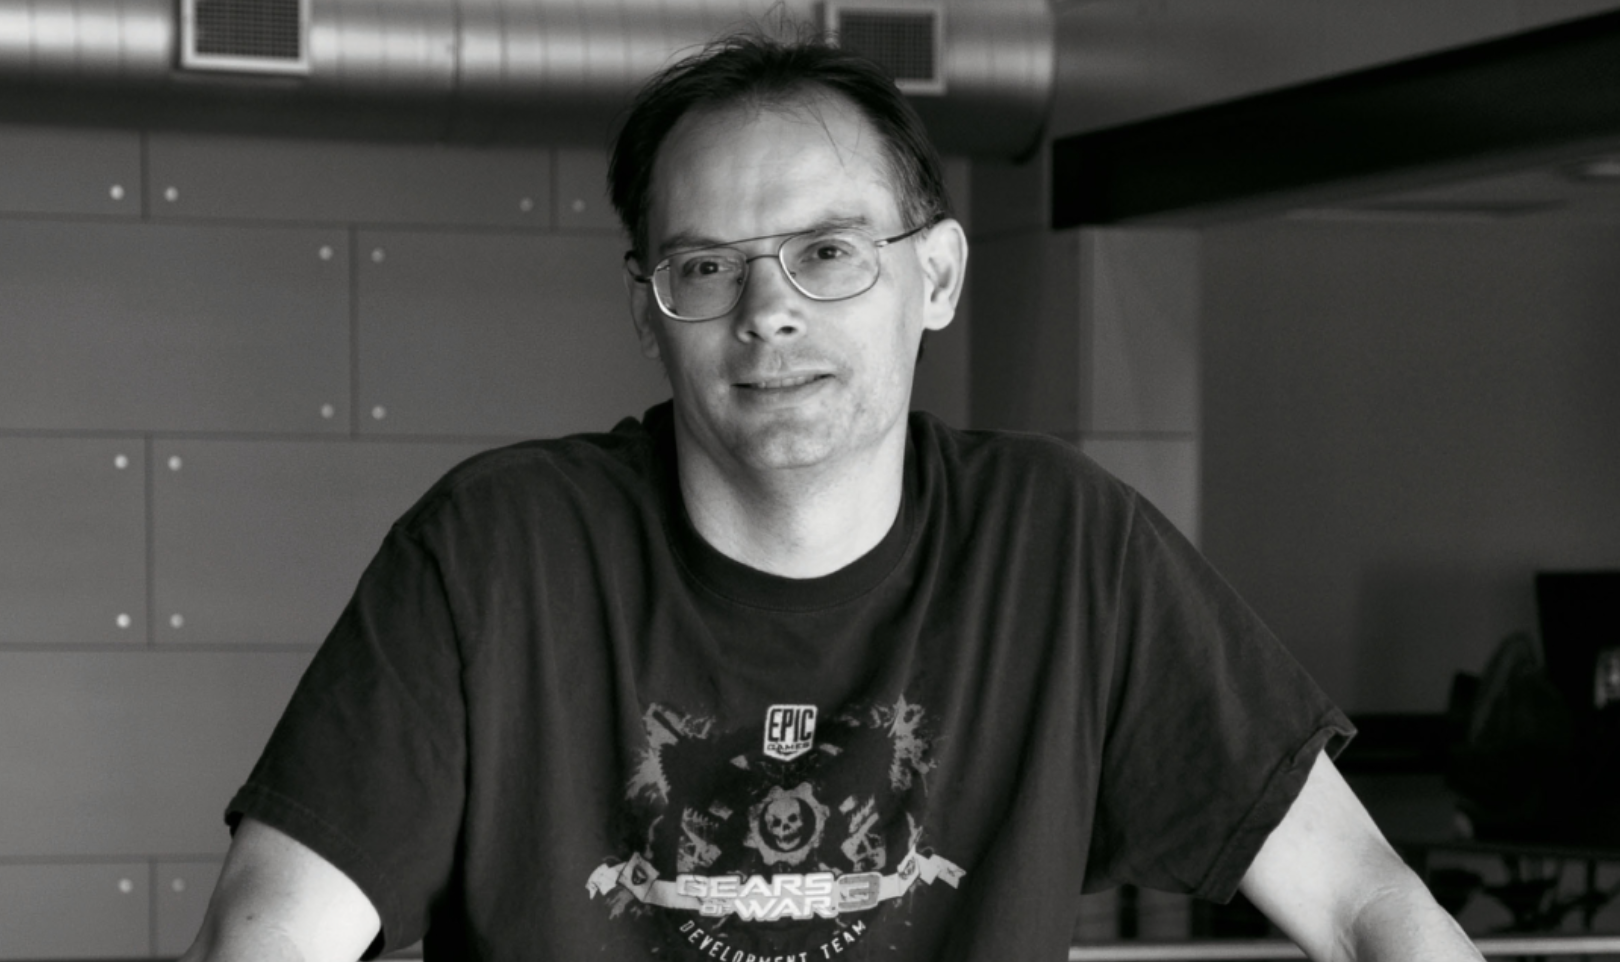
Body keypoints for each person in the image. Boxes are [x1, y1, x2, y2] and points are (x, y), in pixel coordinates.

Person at [181, 30, 1482, 962]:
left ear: (939, 277)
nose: (768, 314)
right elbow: (271, 931)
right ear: (649, 308)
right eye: (707, 265)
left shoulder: (1067, 544)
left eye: (826, 253)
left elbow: (1367, 904)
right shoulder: (495, 552)